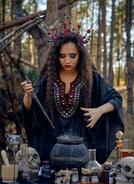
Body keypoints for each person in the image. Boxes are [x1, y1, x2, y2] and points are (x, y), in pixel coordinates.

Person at [21, 29, 124, 164]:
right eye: (62, 56)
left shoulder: (92, 78)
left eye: (72, 56)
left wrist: (99, 110)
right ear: (56, 56)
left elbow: (116, 98)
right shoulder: (49, 79)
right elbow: (30, 109)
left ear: (80, 56)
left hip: (83, 148)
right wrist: (27, 95)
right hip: (52, 147)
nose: (67, 60)